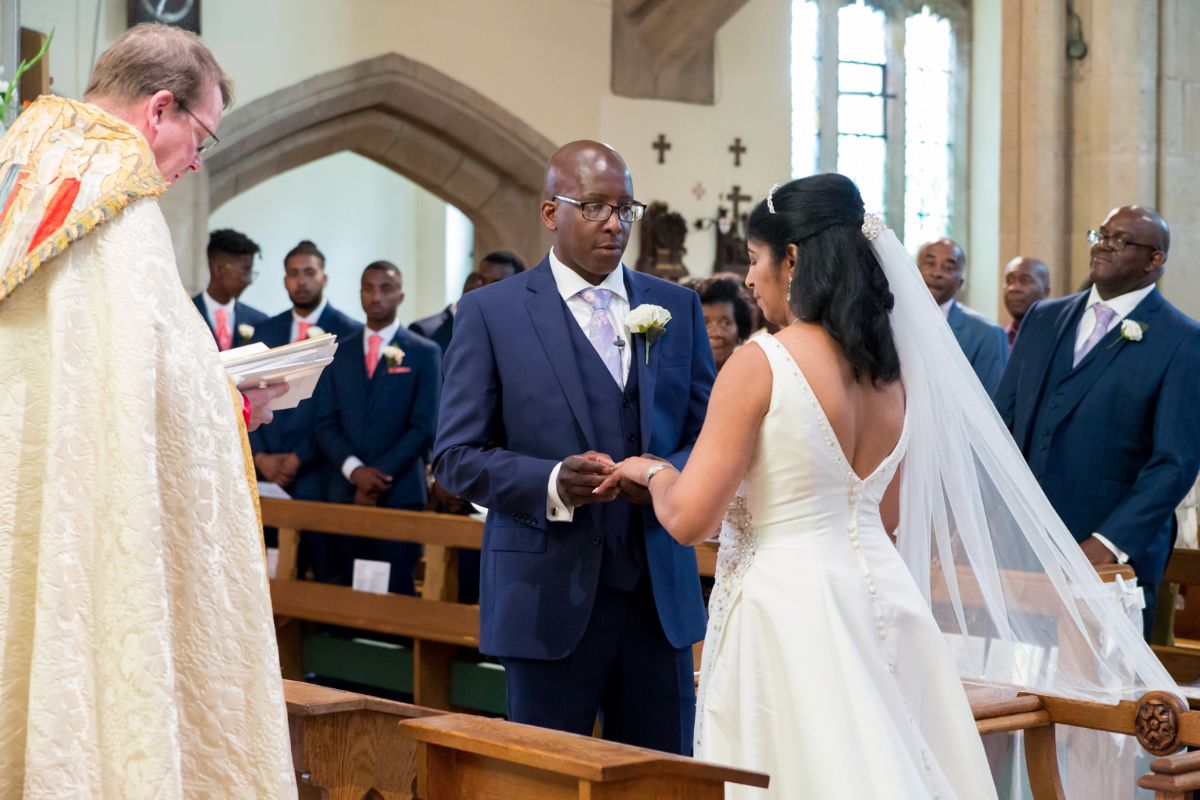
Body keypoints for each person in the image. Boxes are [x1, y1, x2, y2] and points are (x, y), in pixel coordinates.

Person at [598, 175, 1177, 798]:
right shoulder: (889, 374)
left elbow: (690, 520)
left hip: (787, 606)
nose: (749, 278)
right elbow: (891, 510)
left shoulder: (760, 361)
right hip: (885, 596)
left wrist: (652, 471)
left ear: (791, 259)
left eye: (755, 258)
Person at [0, 24, 294, 797]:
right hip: (83, 510)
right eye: (201, 136)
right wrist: (234, 401)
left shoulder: (17, 165)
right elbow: (160, 396)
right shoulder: (121, 208)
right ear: (160, 109)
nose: (195, 161)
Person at [433, 140, 714, 754]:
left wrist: (664, 475)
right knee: (545, 777)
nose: (614, 224)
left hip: (657, 600)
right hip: (545, 596)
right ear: (550, 212)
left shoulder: (675, 307)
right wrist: (551, 481)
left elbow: (708, 437)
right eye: (593, 207)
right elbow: (454, 456)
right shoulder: (491, 313)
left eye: (625, 208)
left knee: (662, 779)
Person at [994, 205, 1200, 637]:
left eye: (1120, 240)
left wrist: (1108, 542)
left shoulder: (1182, 340)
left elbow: (1174, 462)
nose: (1103, 246)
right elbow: (1000, 425)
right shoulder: (1043, 318)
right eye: (1101, 235)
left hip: (1110, 561)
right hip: (1021, 550)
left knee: (1101, 681)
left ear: (1155, 260)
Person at [315, 260, 441, 594]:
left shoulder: (424, 352)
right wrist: (355, 471)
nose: (376, 297)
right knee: (344, 593)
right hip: (344, 491)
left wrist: (377, 477)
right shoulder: (339, 352)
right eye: (368, 288)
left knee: (395, 592)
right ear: (360, 294)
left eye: (386, 289)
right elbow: (324, 422)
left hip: (400, 491)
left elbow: (424, 426)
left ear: (400, 295)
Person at [249, 240, 361, 499]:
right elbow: (246, 391)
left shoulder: (349, 333)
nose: (301, 281)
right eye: (293, 273)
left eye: (309, 273)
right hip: (265, 469)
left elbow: (348, 409)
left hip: (322, 471)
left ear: (324, 278)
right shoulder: (266, 330)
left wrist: (301, 455)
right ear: (284, 280)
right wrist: (260, 456)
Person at [918, 237, 1008, 392]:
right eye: (930, 263)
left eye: (948, 267)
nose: (937, 273)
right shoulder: (890, 322)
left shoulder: (987, 334)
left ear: (960, 283)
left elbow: (991, 400)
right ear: (913, 271)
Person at [410, 249, 526, 353]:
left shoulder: (521, 334)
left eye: (497, 283)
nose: (486, 287)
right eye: (482, 280)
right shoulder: (422, 332)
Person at [192, 227, 269, 349]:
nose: (249, 281)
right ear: (218, 269)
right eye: (244, 272)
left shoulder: (259, 321)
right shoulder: (184, 314)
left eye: (250, 273)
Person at [693, 274, 754, 371]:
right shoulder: (675, 377)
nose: (716, 333)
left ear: (740, 329)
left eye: (726, 323)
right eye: (705, 323)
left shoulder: (754, 374)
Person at [1001, 256, 1050, 349]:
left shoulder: (1056, 339)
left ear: (1045, 292)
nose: (1013, 288)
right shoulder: (996, 338)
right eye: (1009, 280)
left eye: (1025, 281)